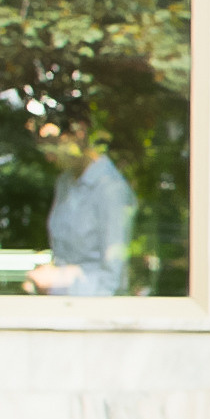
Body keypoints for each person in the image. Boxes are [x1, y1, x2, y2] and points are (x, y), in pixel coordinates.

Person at [27, 122, 135, 296]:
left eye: (53, 144)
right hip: (62, 307)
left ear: (79, 133)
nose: (49, 157)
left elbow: (112, 283)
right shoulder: (64, 183)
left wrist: (55, 280)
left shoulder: (111, 189)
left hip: (92, 314)